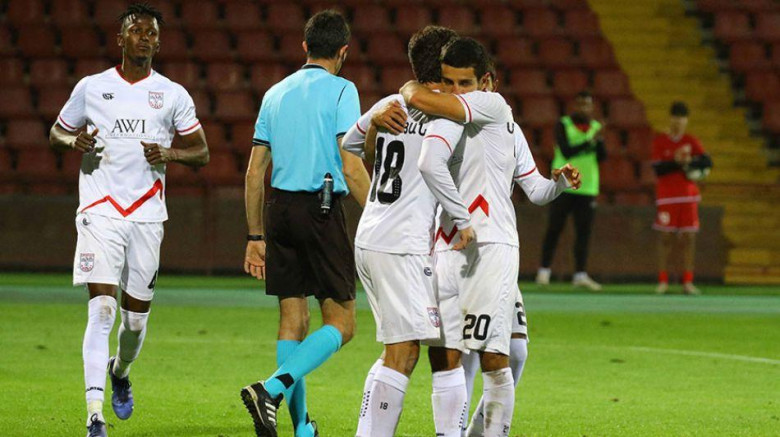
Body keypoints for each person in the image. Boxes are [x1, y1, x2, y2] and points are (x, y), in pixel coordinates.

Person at [401, 37, 580, 437]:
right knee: (454, 356)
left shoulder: (495, 109)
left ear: (487, 82)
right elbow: (429, 163)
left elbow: (535, 189)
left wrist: (558, 184)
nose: (455, 91)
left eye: (465, 83)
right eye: (448, 82)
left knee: (503, 353)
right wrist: (460, 218)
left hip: (491, 248)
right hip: (453, 246)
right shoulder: (448, 116)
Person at [48, 4, 210, 436]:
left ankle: (120, 371)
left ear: (159, 42)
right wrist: (73, 140)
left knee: (134, 323)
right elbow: (56, 132)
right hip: (99, 209)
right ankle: (94, 415)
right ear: (121, 39)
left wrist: (170, 152)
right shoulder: (92, 87)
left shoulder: (172, 94)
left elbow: (202, 152)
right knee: (102, 310)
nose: (145, 38)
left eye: (152, 33)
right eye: (137, 31)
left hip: (146, 215)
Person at [240, 10, 371, 437]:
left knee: (292, 322)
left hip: (279, 210)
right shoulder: (343, 90)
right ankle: (271, 389)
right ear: (343, 52)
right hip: (322, 210)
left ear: (304, 47)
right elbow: (350, 164)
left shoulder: (275, 94)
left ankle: (301, 429)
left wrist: (254, 235)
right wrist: (380, 212)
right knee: (342, 324)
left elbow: (255, 171)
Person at [341, 25, 463, 437]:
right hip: (401, 245)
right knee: (403, 351)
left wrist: (377, 126)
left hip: (374, 236)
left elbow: (349, 146)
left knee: (406, 347)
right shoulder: (446, 112)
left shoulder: (390, 103)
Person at [536, 91, 606, 291]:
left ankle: (580, 275)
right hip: (563, 185)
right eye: (581, 104)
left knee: (583, 232)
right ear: (575, 106)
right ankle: (544, 272)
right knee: (554, 228)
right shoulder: (563, 124)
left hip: (587, 186)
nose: (584, 108)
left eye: (588, 104)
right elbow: (567, 151)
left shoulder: (596, 127)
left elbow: (602, 157)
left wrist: (600, 142)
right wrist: (591, 142)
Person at [651, 101, 712, 295]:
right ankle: (663, 280)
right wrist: (679, 163)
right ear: (670, 119)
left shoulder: (691, 141)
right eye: (675, 117)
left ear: (686, 121)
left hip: (688, 196)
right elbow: (658, 168)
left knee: (689, 238)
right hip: (667, 196)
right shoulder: (661, 141)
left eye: (682, 118)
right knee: (665, 238)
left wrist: (691, 163)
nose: (678, 121)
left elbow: (707, 161)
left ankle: (688, 281)